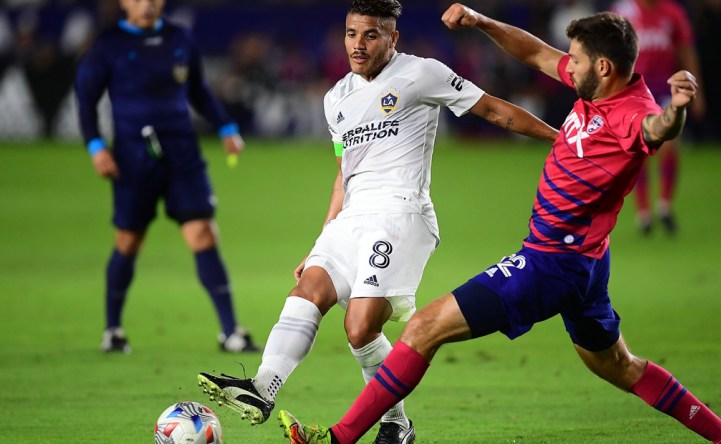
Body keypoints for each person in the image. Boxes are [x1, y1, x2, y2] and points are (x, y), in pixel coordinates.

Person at [275, 5, 721, 444]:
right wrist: (483, 22)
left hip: (549, 262)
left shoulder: (633, 115)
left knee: (423, 329)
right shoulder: (594, 87)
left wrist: (675, 111)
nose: (563, 64)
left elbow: (656, 131)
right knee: (622, 366)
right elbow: (533, 52)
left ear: (603, 68)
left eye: (573, 59)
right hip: (587, 265)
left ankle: (338, 438)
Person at [196, 1, 557, 443]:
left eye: (370, 35)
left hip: (401, 214)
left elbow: (495, 110)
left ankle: (397, 423)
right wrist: (320, 239)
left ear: (393, 38)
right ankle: (263, 388)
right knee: (309, 289)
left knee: (360, 327)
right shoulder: (336, 99)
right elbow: (343, 174)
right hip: (351, 217)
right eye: (351, 34)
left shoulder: (422, 73)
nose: (358, 45)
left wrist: (563, 140)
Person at [75, 0, 260, 354]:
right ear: (124, 3)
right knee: (129, 240)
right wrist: (97, 146)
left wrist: (226, 126)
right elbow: (86, 100)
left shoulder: (180, 39)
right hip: (132, 156)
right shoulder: (108, 45)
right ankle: (113, 330)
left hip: (182, 153)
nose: (146, 4)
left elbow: (198, 90)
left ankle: (230, 332)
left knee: (203, 232)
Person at [610, 0, 706, 235]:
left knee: (670, 144)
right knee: (639, 150)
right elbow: (609, 53)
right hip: (634, 90)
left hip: (665, 88)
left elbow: (686, 51)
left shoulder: (672, 13)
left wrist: (698, 91)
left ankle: (664, 206)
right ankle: (643, 214)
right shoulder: (623, 12)